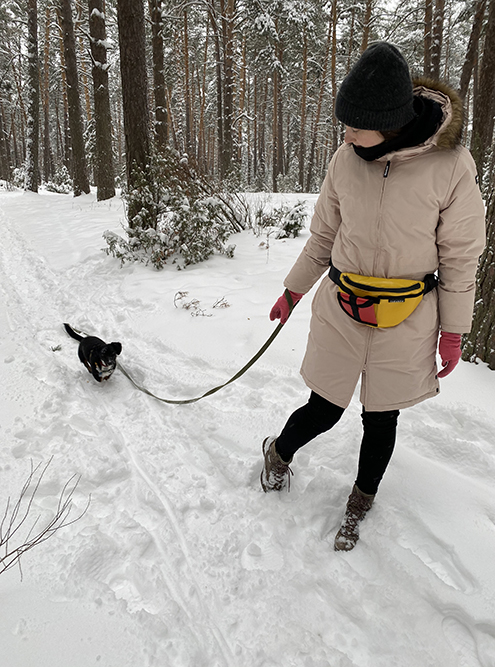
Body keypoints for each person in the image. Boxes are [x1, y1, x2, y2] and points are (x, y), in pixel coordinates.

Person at [260, 42, 486, 552]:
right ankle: (278, 451)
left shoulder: (450, 165)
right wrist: (293, 290)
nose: (346, 135)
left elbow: (460, 257)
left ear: (389, 122)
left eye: (355, 126)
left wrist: (453, 332)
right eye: (344, 125)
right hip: (343, 306)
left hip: (409, 318)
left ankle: (361, 500)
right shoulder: (346, 159)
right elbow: (323, 237)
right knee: (325, 406)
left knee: (381, 417)